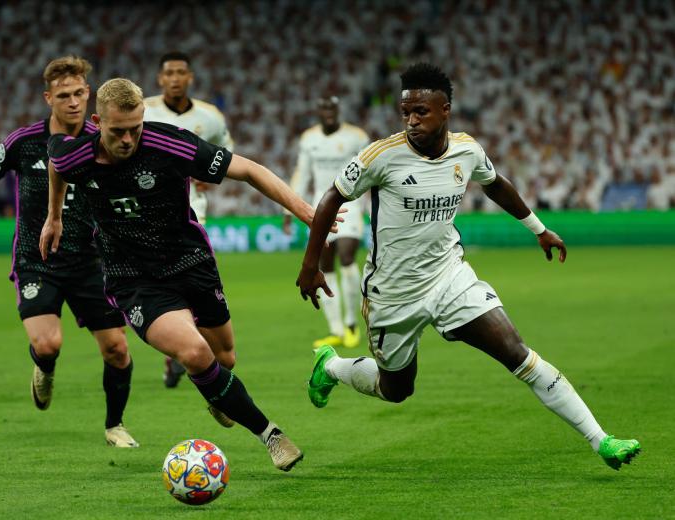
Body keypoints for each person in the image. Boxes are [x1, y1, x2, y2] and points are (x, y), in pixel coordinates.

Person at [297, 63, 641, 471]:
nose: (411, 120)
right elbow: (331, 199)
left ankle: (601, 440)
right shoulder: (380, 156)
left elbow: (494, 182)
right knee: (396, 389)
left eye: (421, 112)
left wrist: (538, 228)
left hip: (449, 276)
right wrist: (311, 264)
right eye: (405, 111)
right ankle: (334, 367)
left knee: (517, 352)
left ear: (446, 109)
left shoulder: (467, 149)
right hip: (393, 293)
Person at [40, 78, 332, 471]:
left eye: (135, 128)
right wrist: (53, 216)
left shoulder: (168, 143)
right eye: (117, 131)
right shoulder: (76, 155)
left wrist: (305, 211)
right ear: (97, 121)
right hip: (133, 279)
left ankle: (217, 393)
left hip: (190, 263)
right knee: (195, 353)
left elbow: (246, 169)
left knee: (224, 357)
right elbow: (57, 165)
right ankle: (272, 436)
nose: (128, 139)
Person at [0, 56, 138, 448]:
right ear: (48, 98)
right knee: (47, 343)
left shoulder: (104, 137)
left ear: (88, 93)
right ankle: (44, 367)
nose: (73, 102)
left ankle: (115, 425)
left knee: (117, 349)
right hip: (36, 260)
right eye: (63, 96)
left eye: (78, 93)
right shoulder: (25, 141)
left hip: (92, 262)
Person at [143, 51, 234, 388]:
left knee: (193, 280)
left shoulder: (209, 117)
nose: (176, 78)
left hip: (193, 210)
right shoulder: (145, 111)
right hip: (149, 212)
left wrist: (207, 175)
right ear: (160, 78)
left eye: (181, 72)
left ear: (190, 77)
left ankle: (181, 353)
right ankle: (180, 348)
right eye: (169, 72)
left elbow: (227, 152)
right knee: (165, 285)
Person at [284, 96, 369, 349]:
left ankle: (352, 323)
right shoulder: (309, 139)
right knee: (325, 266)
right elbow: (302, 173)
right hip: (320, 205)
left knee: (347, 257)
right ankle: (337, 329)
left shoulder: (357, 137)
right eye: (324, 108)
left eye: (333, 107)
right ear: (318, 111)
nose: (329, 112)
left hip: (351, 204)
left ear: (338, 110)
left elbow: (371, 171)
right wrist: (288, 210)